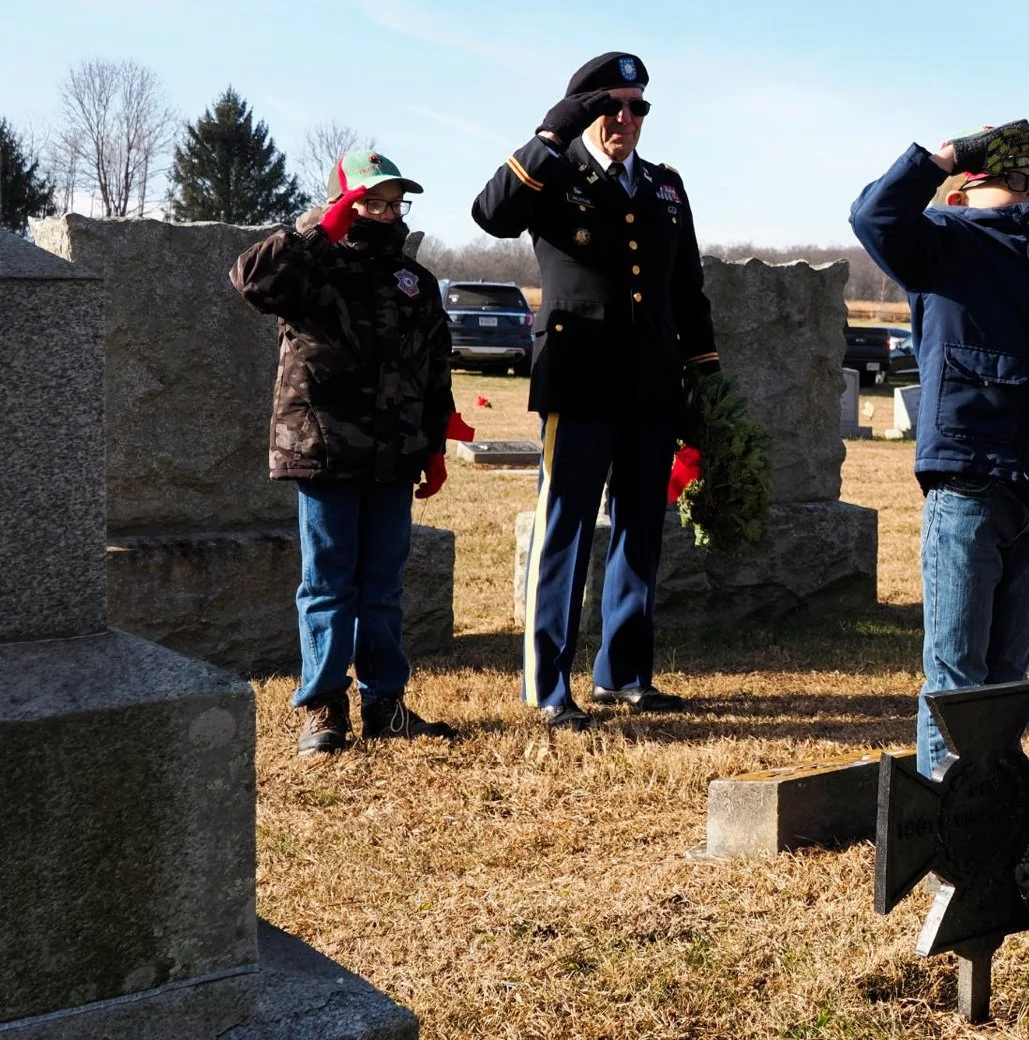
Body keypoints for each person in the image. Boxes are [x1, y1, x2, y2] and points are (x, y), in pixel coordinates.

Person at [850, 120, 1029, 777]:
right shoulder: (940, 241)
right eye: (1011, 179)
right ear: (964, 191)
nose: (1027, 192)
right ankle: (946, 829)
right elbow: (872, 216)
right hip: (969, 493)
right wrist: (946, 156)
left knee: (1008, 684)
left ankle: (993, 822)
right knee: (958, 682)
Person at [471, 52, 719, 731]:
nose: (626, 119)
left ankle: (624, 674)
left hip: (651, 383)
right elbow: (491, 214)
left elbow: (687, 288)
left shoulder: (665, 187)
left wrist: (705, 375)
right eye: (611, 107)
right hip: (578, 380)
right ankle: (548, 686)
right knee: (566, 530)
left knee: (641, 529)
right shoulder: (554, 171)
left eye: (638, 108)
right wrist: (551, 133)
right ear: (584, 113)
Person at [232, 149, 462, 757]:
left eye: (394, 203)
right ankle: (323, 705)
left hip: (394, 453)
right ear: (344, 203)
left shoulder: (413, 279)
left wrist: (435, 444)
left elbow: (434, 365)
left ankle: (385, 704)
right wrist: (319, 232)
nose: (386, 214)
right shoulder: (311, 262)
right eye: (372, 202)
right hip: (325, 447)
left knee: (383, 583)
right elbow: (251, 280)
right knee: (329, 582)